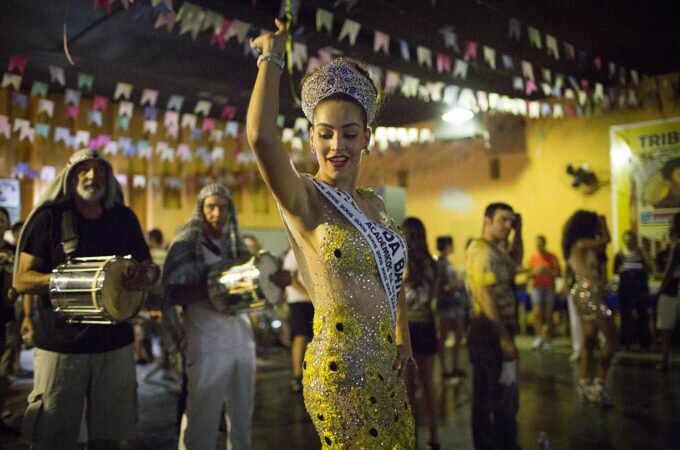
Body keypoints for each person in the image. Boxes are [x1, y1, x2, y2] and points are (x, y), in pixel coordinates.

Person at [246, 19, 415, 448]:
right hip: (339, 370)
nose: (337, 145)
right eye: (325, 134)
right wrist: (272, 56)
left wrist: (402, 339)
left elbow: (392, 281)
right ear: (311, 137)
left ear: (367, 139)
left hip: (386, 366)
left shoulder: (376, 206)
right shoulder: (305, 198)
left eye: (349, 133)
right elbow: (262, 139)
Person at [12, 148, 159, 449]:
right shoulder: (49, 218)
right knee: (53, 435)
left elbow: (148, 266)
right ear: (70, 176)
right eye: (84, 169)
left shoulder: (124, 217)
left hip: (115, 344)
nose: (92, 176)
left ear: (108, 176)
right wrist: (77, 283)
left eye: (99, 170)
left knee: (108, 434)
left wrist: (149, 276)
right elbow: (22, 279)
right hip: (61, 346)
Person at [163, 183, 254, 450]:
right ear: (201, 210)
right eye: (211, 207)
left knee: (242, 415)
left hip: (241, 337)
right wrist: (216, 288)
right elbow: (172, 294)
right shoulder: (184, 246)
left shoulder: (236, 246)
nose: (217, 213)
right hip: (206, 340)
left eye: (223, 207)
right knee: (202, 414)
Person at [465, 202, 523, 450]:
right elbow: (483, 295)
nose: (508, 226)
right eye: (503, 220)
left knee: (500, 395)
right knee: (491, 399)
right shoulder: (482, 253)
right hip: (488, 332)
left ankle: (500, 442)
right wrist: (504, 339)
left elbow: (515, 262)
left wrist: (520, 231)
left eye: (512, 221)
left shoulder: (495, 250)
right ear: (487, 221)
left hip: (496, 331)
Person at [562, 211, 618, 404]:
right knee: (612, 337)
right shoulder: (581, 244)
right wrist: (603, 222)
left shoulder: (579, 245)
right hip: (587, 293)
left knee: (590, 337)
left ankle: (584, 382)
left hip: (586, 292)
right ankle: (599, 383)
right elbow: (606, 240)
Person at [402, 217, 439, 449]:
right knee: (428, 386)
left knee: (408, 388)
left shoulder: (400, 261)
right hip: (427, 325)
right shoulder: (432, 264)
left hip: (407, 329)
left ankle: (410, 438)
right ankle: (434, 437)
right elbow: (433, 297)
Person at [281, 247, 314, 393]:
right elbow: (288, 276)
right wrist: (307, 294)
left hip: (315, 301)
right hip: (299, 300)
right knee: (301, 336)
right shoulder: (295, 249)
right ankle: (297, 376)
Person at [434, 235, 466, 381]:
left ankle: (455, 366)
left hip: (453, 303)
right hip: (446, 304)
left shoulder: (446, 262)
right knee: (444, 337)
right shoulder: (440, 263)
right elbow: (441, 285)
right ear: (447, 245)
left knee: (459, 334)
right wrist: (456, 283)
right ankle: (445, 369)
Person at [614, 230, 651, 350]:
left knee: (642, 316)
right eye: (627, 240)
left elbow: (649, 267)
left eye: (631, 240)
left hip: (639, 288)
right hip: (625, 289)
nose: (629, 242)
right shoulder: (619, 255)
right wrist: (620, 271)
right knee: (625, 316)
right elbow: (615, 270)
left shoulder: (641, 253)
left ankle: (644, 342)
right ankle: (626, 342)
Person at [528, 235, 561, 350]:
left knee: (548, 315)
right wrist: (535, 271)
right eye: (537, 243)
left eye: (540, 243)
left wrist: (547, 271)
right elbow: (528, 274)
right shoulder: (533, 257)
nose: (539, 245)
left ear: (544, 244)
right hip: (537, 288)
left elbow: (558, 273)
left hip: (549, 288)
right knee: (537, 314)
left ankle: (547, 339)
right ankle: (538, 337)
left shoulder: (552, 257)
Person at [656, 212, 680, 372]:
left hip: (672, 289)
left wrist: (660, 290)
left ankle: (665, 361)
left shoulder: (677, 247)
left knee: (666, 327)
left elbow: (669, 270)